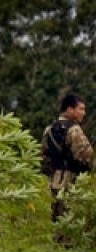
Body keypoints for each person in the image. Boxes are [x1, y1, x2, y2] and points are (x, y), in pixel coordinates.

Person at [40, 93, 94, 226]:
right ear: (70, 109)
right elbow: (88, 158)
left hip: (53, 182)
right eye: (81, 109)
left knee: (56, 221)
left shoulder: (49, 129)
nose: (84, 113)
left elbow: (43, 157)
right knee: (71, 223)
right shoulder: (74, 130)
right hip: (72, 183)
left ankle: (56, 246)